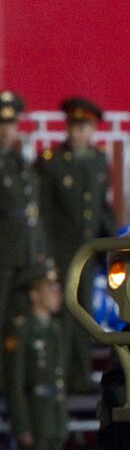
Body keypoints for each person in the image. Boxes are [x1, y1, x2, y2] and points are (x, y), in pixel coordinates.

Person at [36, 97, 116, 393]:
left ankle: (80, 375)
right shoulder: (52, 163)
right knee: (64, 314)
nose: (79, 133)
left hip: (87, 249)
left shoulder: (97, 161)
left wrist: (114, 241)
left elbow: (100, 208)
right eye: (75, 126)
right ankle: (61, 376)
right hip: (60, 249)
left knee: (84, 311)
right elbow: (43, 211)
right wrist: (43, 253)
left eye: (85, 126)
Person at [4, 264, 69, 450]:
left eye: (57, 288)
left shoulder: (55, 329)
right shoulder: (22, 329)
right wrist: (22, 423)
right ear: (34, 294)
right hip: (35, 412)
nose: (56, 293)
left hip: (53, 412)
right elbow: (15, 381)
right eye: (49, 288)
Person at [0, 91, 44, 344]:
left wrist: (39, 248)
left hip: (24, 252)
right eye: (3, 124)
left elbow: (32, 209)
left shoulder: (19, 162)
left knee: (18, 319)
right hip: (4, 252)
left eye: (12, 123)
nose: (8, 131)